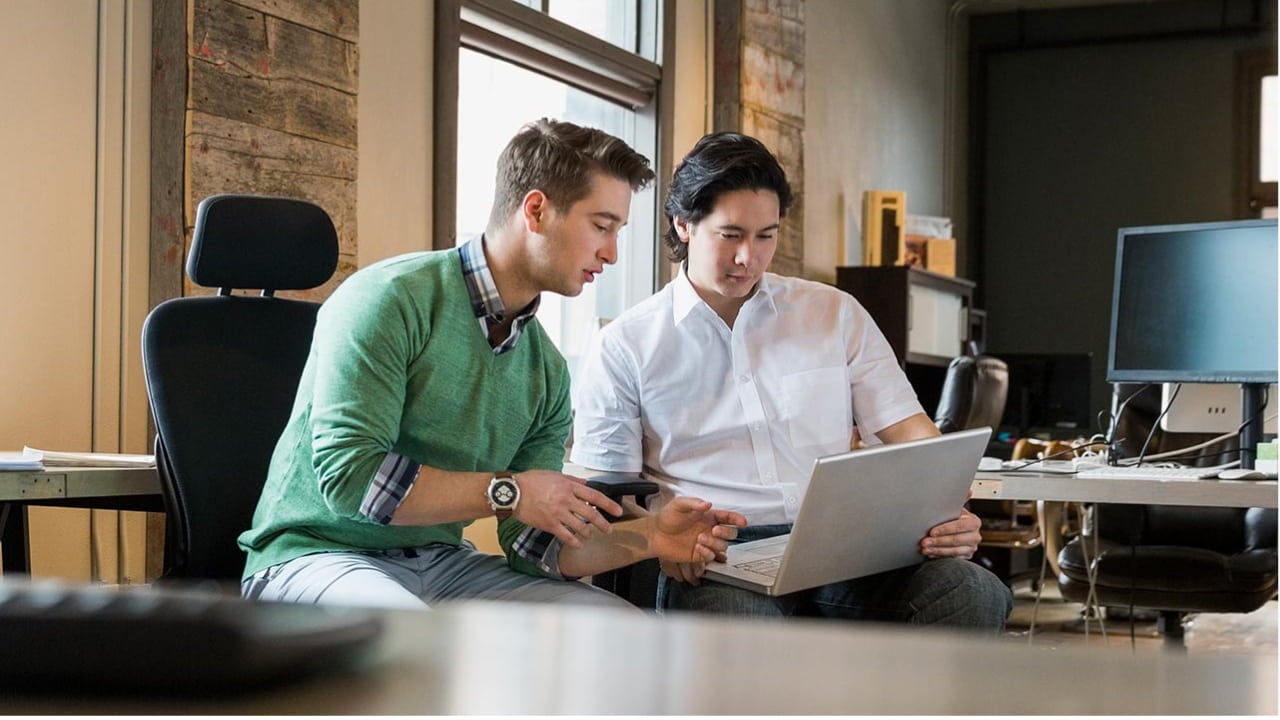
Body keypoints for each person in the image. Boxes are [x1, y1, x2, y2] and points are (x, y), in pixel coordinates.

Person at [239, 119, 745, 610]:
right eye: (601, 226)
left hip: (441, 564)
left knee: (620, 631)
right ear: (537, 210)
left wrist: (652, 536)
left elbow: (532, 545)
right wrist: (510, 491)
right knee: (413, 640)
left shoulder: (546, 370)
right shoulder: (391, 300)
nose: (611, 253)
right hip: (314, 556)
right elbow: (351, 481)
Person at [570, 132, 1012, 629]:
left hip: (842, 545)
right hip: (716, 555)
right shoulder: (627, 343)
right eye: (731, 235)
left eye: (766, 236)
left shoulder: (832, 312)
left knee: (972, 594)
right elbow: (604, 495)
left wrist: (947, 508)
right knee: (741, 632)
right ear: (684, 225)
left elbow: (910, 432)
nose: (749, 258)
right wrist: (657, 536)